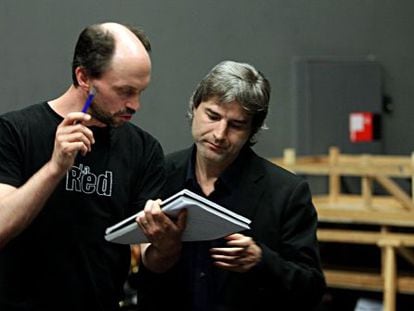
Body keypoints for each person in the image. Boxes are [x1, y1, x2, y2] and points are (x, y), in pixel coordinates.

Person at [134, 60, 326, 311]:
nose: (219, 134)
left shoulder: (287, 192)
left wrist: (262, 260)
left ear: (253, 130)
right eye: (212, 116)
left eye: (236, 125)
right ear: (194, 107)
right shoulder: (159, 173)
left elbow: (312, 288)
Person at [0, 22, 165, 310]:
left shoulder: (144, 150)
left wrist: (168, 242)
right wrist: (54, 168)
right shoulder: (16, 131)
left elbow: (151, 255)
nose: (135, 105)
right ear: (84, 76)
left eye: (141, 91)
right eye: (125, 91)